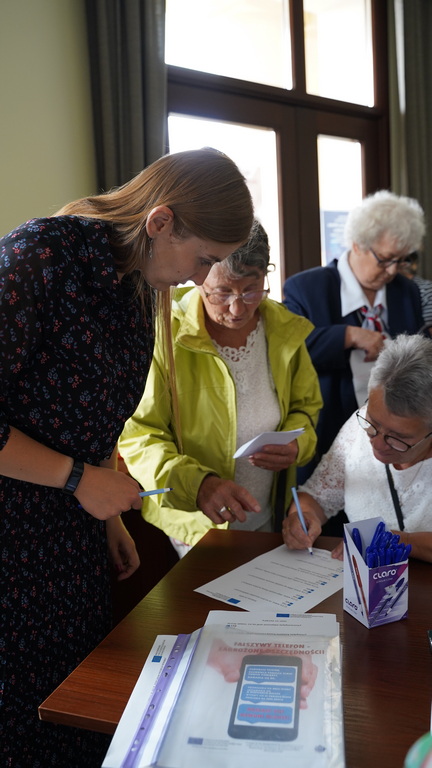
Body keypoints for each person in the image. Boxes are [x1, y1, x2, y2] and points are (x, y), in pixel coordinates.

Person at [0, 147, 253, 768]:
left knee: (80, 713)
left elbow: (91, 422)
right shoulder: (40, 257)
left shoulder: (138, 286)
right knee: (22, 722)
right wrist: (78, 479)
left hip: (70, 541)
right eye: (205, 259)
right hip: (13, 545)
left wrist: (107, 512)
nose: (202, 278)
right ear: (160, 222)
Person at [119, 221, 322, 557]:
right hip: (197, 522)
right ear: (198, 278)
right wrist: (199, 485)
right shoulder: (164, 334)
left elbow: (307, 408)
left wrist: (297, 444)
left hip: (269, 514)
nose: (237, 308)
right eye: (222, 292)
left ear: (266, 274)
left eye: (252, 290)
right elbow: (141, 436)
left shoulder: (283, 328)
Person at [283, 190, 426, 484]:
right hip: (330, 433)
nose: (392, 271)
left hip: (395, 438)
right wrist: (347, 335)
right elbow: (290, 351)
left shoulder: (405, 291)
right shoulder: (307, 288)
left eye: (400, 261)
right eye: (385, 259)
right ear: (358, 244)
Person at [282, 334, 432, 564]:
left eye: (398, 438)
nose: (377, 444)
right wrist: (302, 517)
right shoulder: (357, 427)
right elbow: (317, 497)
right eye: (372, 424)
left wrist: (399, 541)